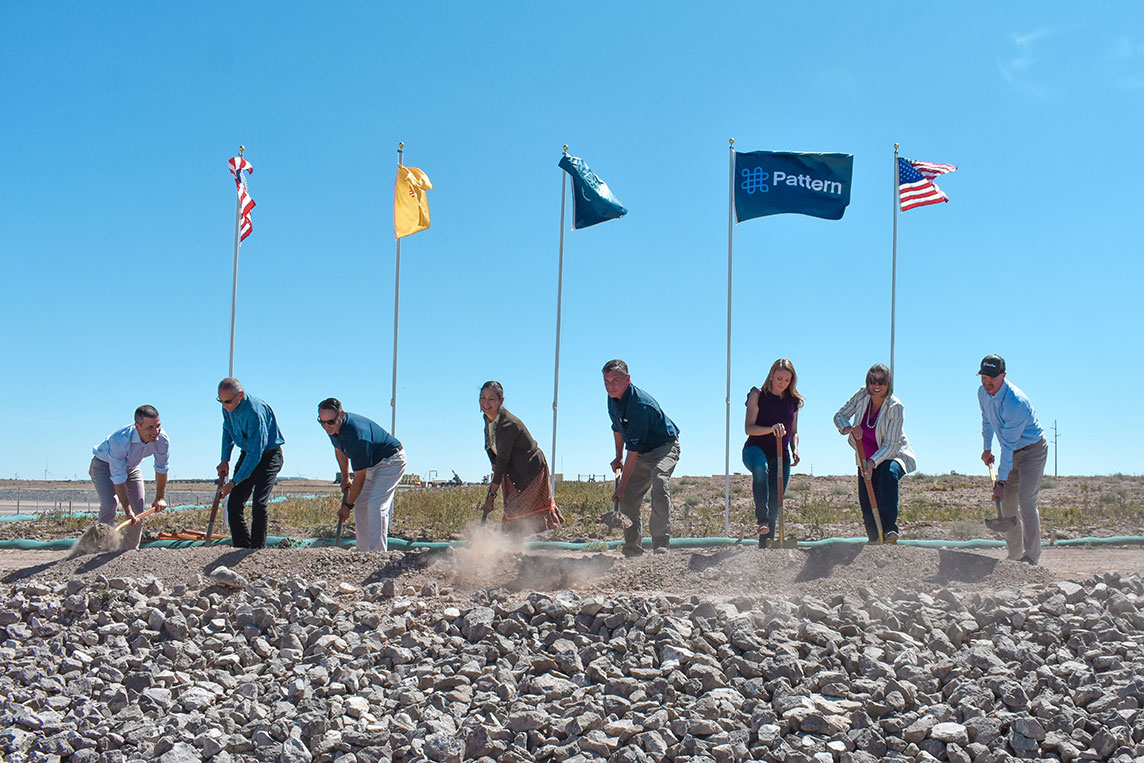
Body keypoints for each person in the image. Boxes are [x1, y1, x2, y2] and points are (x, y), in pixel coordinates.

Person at [603, 359, 681, 556]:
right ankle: (632, 547)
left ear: (627, 379)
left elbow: (634, 452)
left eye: (615, 380)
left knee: (659, 479)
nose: (610, 385)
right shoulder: (612, 399)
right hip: (641, 451)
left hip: (664, 447)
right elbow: (618, 429)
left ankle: (660, 543)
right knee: (628, 496)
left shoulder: (639, 405)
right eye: (606, 381)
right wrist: (617, 456)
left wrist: (620, 486)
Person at [833, 364, 915, 543]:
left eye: (881, 381)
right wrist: (848, 428)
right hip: (864, 453)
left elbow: (891, 444)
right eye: (872, 380)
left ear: (889, 383)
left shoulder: (896, 407)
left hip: (892, 454)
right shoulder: (862, 395)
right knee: (866, 497)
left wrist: (873, 462)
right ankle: (873, 538)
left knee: (887, 475)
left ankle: (889, 530)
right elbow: (839, 415)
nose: (876, 385)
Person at [977, 354, 1047, 564]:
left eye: (991, 377)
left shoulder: (1016, 403)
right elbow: (987, 421)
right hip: (1012, 452)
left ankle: (1032, 556)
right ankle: (1015, 555)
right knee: (1007, 504)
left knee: (1026, 501)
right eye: (983, 376)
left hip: (1032, 452)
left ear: (1003, 375)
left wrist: (1000, 482)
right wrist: (987, 448)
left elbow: (1007, 447)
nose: (987, 382)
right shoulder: (983, 393)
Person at [318, 398, 406, 552]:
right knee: (361, 504)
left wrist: (347, 506)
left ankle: (377, 553)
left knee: (376, 505)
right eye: (322, 422)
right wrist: (345, 477)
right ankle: (363, 551)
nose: (326, 426)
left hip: (390, 461)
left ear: (341, 415)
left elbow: (360, 478)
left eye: (330, 422)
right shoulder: (333, 428)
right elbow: (339, 450)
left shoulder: (357, 436)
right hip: (372, 463)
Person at [478, 381, 564, 534]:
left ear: (501, 401)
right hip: (513, 470)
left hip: (530, 469)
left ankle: (519, 551)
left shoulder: (507, 425)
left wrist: (491, 496)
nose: (486, 403)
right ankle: (514, 550)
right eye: (483, 398)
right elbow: (489, 445)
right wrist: (493, 463)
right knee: (512, 512)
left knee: (515, 513)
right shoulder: (488, 420)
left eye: (491, 399)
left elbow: (502, 461)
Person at [89, 405, 170, 550]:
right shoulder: (119, 441)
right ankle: (99, 548)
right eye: (150, 427)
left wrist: (160, 497)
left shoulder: (162, 439)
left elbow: (162, 468)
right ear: (137, 427)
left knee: (138, 510)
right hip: (104, 465)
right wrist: (127, 511)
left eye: (158, 426)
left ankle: (128, 552)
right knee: (110, 504)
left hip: (132, 467)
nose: (155, 431)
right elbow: (118, 478)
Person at [216, 378, 284, 549]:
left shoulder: (255, 413)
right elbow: (227, 429)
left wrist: (233, 482)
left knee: (259, 503)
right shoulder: (227, 408)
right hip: (248, 452)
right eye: (221, 401)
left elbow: (256, 454)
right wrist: (225, 459)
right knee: (234, 504)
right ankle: (241, 548)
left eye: (228, 401)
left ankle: (256, 550)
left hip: (268, 456)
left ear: (240, 395)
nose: (224, 406)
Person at [743, 359, 803, 548]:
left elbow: (793, 431)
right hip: (755, 449)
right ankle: (762, 520)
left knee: (776, 498)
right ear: (771, 375)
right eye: (779, 378)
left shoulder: (794, 402)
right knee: (761, 468)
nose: (782, 383)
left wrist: (795, 449)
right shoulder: (757, 395)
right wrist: (771, 429)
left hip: (781, 453)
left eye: (787, 380)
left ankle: (767, 544)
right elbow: (749, 428)